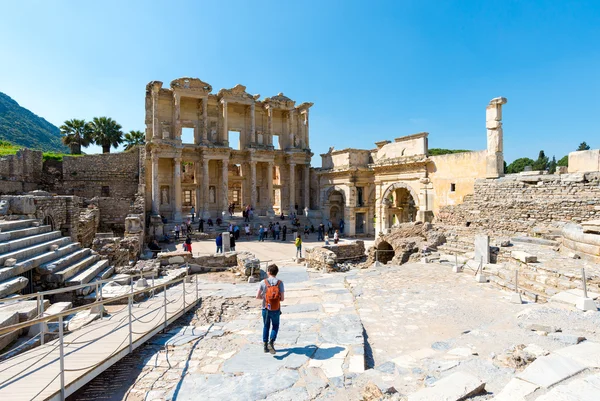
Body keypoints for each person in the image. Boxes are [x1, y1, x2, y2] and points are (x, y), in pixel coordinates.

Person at [256, 264, 284, 354]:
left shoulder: (263, 282)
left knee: (266, 326)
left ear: (268, 272)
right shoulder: (280, 283)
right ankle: (271, 342)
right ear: (276, 272)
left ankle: (265, 346)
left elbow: (257, 296)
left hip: (265, 308)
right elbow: (282, 298)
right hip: (276, 308)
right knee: (275, 326)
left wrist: (265, 298)